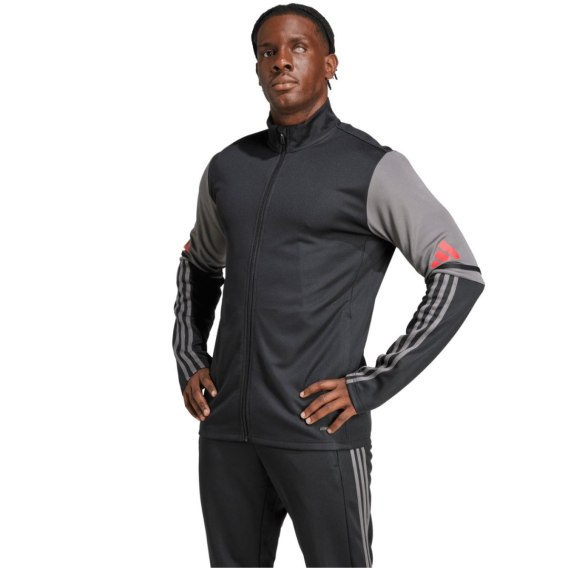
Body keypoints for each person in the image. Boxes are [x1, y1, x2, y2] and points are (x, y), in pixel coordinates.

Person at [172, 3, 485, 567]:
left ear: (330, 64)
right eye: (267, 52)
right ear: (256, 67)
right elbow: (198, 263)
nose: (281, 61)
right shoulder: (227, 168)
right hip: (228, 434)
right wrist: (191, 357)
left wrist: (371, 385)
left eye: (298, 47)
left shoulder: (373, 168)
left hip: (319, 431)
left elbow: (458, 275)